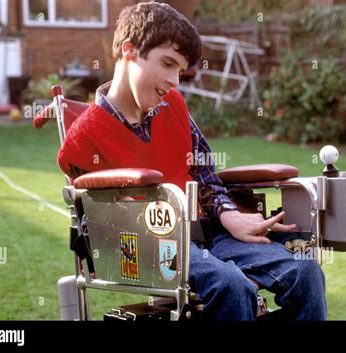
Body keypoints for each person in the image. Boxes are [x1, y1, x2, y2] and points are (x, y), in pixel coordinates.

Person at [57, 2, 326, 320]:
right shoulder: (84, 137)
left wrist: (230, 216)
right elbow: (101, 225)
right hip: (151, 247)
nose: (175, 81)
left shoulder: (174, 105)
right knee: (232, 286)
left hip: (210, 233)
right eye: (167, 64)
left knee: (304, 272)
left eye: (180, 70)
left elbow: (205, 173)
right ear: (129, 51)